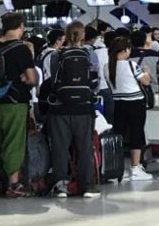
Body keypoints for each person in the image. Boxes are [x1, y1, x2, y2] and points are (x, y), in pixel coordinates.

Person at [0, 13, 38, 198]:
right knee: (13, 143)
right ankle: (14, 185)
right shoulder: (21, 49)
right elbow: (32, 79)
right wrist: (25, 78)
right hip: (14, 104)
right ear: (21, 26)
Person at [46, 22, 100, 198]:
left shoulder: (56, 55)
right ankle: (88, 187)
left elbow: (52, 80)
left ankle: (61, 186)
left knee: (60, 148)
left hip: (60, 108)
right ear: (83, 36)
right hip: (83, 108)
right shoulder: (90, 54)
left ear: (66, 36)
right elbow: (95, 82)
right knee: (84, 147)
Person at [106, 36, 153, 181]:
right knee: (136, 134)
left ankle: (117, 169)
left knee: (119, 134)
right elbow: (145, 81)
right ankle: (135, 168)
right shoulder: (131, 65)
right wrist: (147, 72)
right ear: (126, 50)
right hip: (136, 103)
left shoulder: (107, 66)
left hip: (118, 103)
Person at [85, 26, 113, 124]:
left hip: (86, 90)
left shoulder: (91, 51)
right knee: (108, 118)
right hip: (104, 87)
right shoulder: (104, 52)